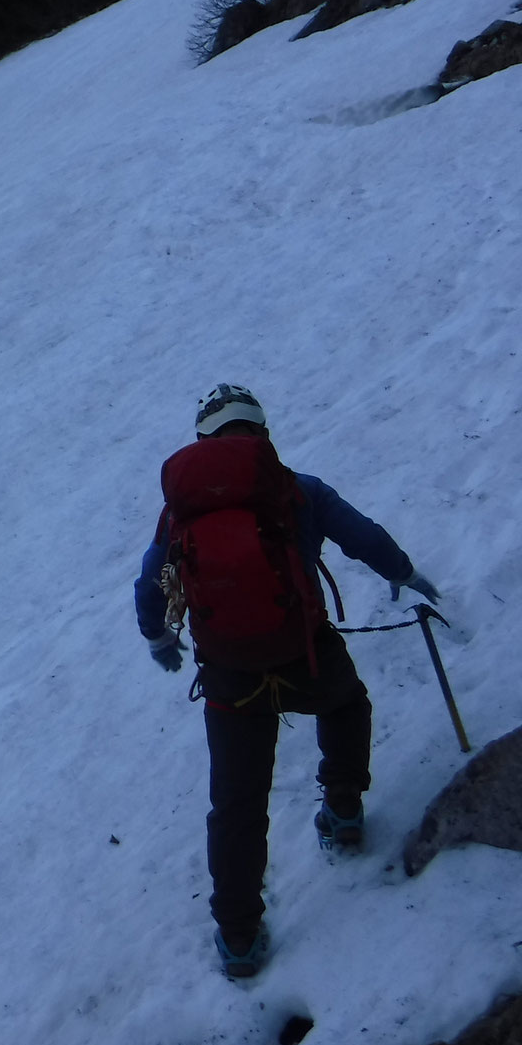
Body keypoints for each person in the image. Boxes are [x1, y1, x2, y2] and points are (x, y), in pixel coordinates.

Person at [132, 384, 441, 979]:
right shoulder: (298, 491)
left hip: (229, 677)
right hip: (305, 654)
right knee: (347, 704)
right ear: (262, 434)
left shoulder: (181, 514)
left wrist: (159, 640)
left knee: (237, 805)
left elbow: (149, 583)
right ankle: (344, 811)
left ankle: (240, 937)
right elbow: (363, 536)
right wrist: (403, 571)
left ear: (204, 443)